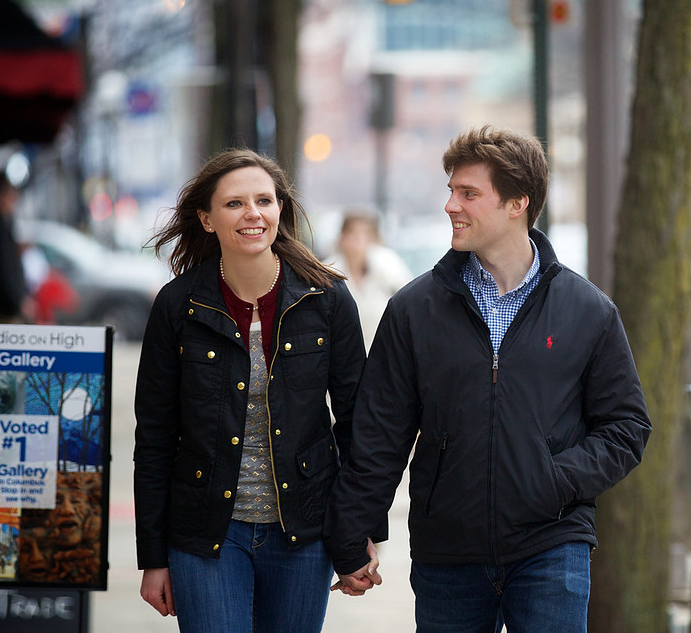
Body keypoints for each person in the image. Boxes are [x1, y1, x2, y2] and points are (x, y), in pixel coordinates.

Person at [324, 126, 652, 632]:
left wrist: (554, 480)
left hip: (551, 545)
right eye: (451, 191)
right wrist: (353, 533)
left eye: (469, 193)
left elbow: (627, 427)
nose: (451, 205)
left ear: (518, 202)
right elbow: (380, 433)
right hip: (448, 554)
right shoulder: (414, 310)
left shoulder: (588, 311)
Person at [133, 149, 369, 633]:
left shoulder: (326, 300)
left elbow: (356, 426)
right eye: (234, 203)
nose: (252, 214)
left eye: (264, 200)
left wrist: (359, 532)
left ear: (280, 209)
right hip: (205, 533)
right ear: (206, 218)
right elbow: (155, 439)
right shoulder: (178, 306)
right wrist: (153, 557)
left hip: (303, 531)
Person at [334, 211, 412, 350]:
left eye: (366, 235)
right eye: (353, 233)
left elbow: (410, 303)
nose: (359, 240)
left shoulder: (388, 266)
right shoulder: (330, 272)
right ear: (342, 237)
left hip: (385, 354)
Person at [0, 170, 33, 323]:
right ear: (2, 196)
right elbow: (1, 268)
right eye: (12, 197)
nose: (14, 203)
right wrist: (16, 302)